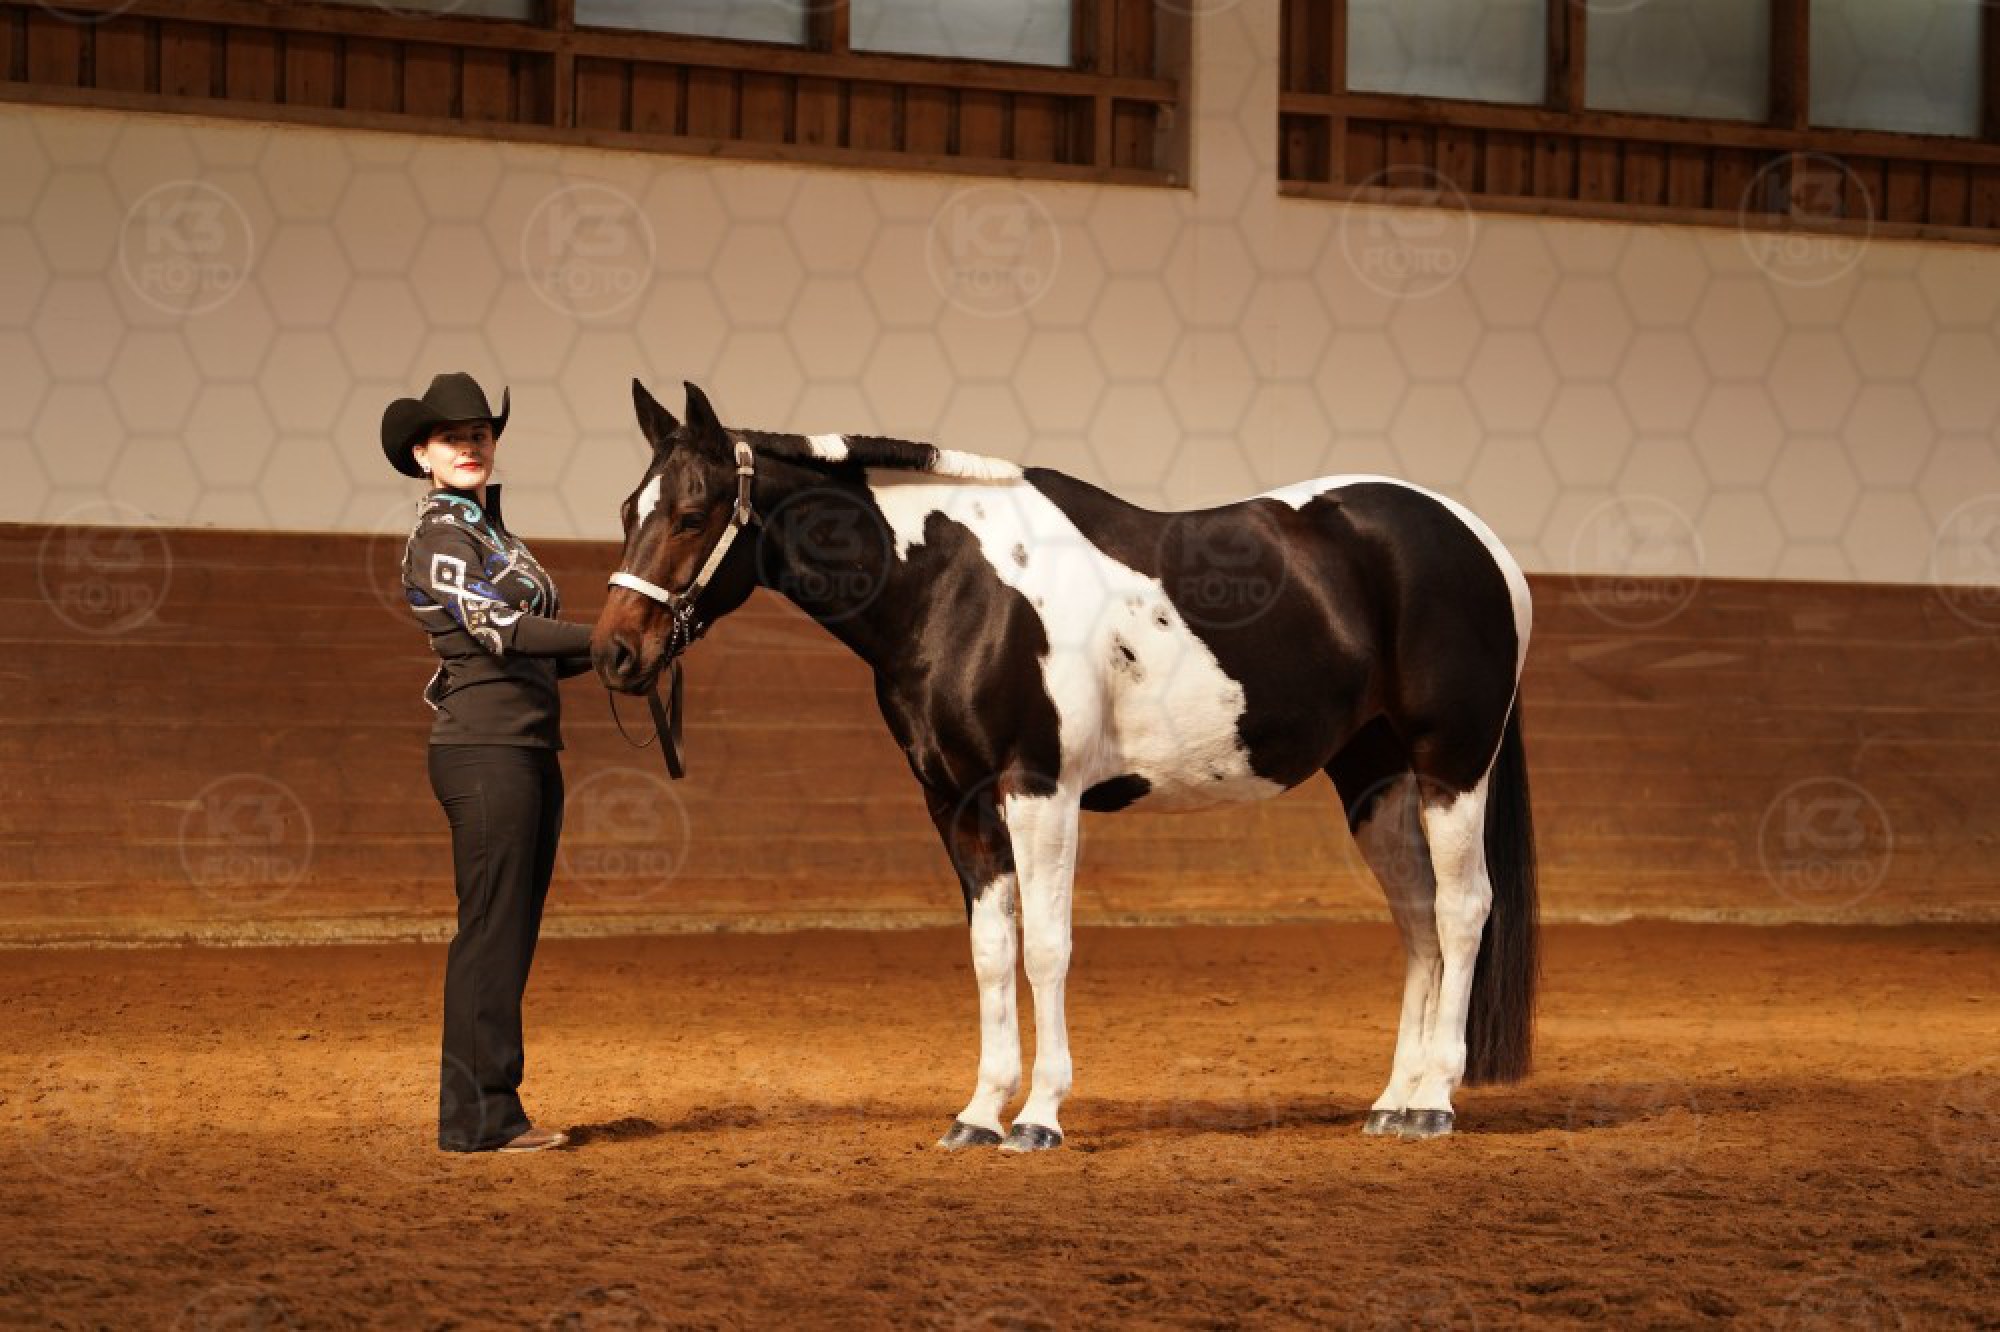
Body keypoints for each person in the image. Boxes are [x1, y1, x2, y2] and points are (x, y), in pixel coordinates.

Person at [384, 372, 594, 1154]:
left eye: (479, 433)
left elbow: (543, 655)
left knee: (510, 932)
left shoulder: (498, 537)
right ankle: (478, 1117)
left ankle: (491, 1109)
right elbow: (499, 629)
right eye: (452, 437)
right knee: (490, 933)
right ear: (423, 454)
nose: (470, 445)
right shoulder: (442, 537)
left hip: (527, 747)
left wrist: (628, 654)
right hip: (483, 752)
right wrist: (608, 636)